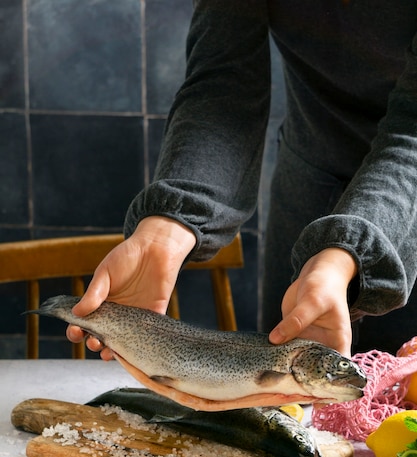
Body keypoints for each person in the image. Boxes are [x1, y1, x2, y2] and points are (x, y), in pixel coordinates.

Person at [67, 0, 417, 360]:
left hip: (411, 190)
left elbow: (412, 130)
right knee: (286, 395)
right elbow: (224, 84)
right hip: (311, 177)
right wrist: (171, 221)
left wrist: (347, 253)